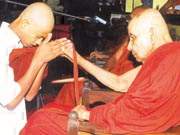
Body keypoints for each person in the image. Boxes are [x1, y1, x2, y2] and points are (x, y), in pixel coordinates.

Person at [21, 8, 180, 134]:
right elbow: (123, 86)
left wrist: (89, 115)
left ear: (151, 34)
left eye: (133, 37)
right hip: (122, 119)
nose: (129, 47)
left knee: (41, 122)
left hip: (123, 127)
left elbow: (136, 112)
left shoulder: (170, 60)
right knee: (47, 113)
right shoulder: (166, 56)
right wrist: (75, 57)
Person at [0, 2, 69, 135]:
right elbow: (11, 100)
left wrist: (43, 58)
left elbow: (30, 94)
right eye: (39, 36)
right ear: (25, 23)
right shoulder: (2, 46)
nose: (38, 42)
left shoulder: (19, 45)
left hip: (16, 124)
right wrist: (38, 59)